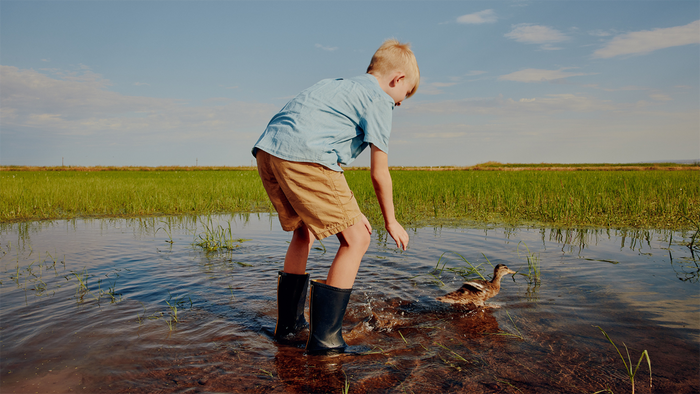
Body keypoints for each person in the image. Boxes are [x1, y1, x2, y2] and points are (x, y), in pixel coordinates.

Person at [252, 39, 419, 355]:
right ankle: (325, 341)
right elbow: (379, 172)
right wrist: (391, 221)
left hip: (269, 150)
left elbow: (317, 150)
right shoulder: (380, 99)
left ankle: (288, 328)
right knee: (357, 240)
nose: (400, 104)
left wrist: (351, 214)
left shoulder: (337, 85)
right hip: (306, 157)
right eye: (404, 95)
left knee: (304, 231)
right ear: (397, 79)